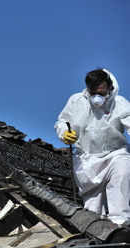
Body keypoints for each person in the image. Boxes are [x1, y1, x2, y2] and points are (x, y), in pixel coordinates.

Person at [55, 68, 130, 225]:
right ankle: (95, 230)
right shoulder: (76, 101)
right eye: (93, 92)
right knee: (92, 208)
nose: (97, 97)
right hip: (86, 158)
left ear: (110, 88)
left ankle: (119, 224)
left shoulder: (120, 103)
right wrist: (64, 133)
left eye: (102, 93)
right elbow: (62, 122)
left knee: (121, 175)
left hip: (114, 154)